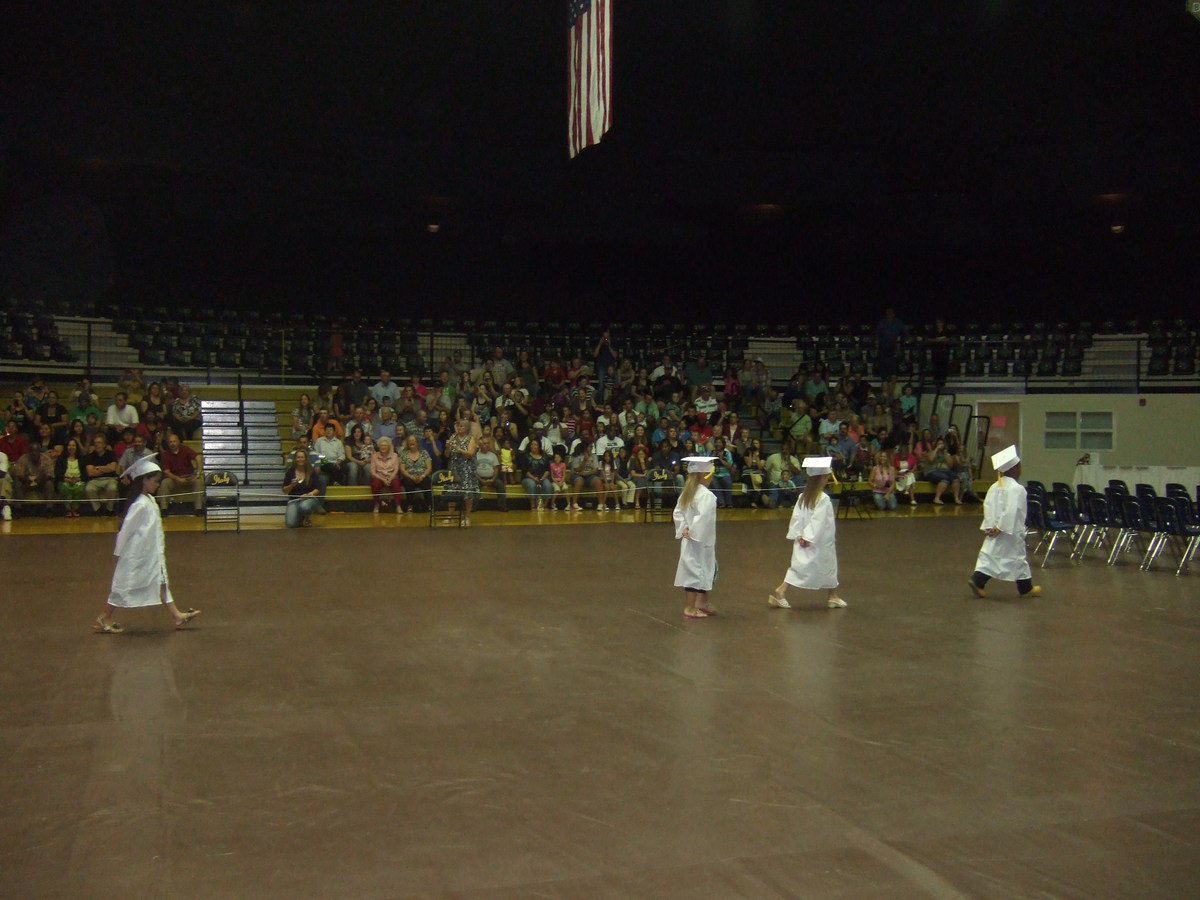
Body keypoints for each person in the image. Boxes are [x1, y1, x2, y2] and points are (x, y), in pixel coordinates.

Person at [93, 455, 201, 634]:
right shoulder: (140, 505)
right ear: (144, 480)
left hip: (151, 553)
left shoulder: (149, 500)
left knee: (161, 581)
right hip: (137, 555)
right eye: (155, 481)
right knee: (124, 584)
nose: (158, 484)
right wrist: (119, 553)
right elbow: (126, 530)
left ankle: (176, 615)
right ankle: (105, 616)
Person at [768, 456, 848, 610]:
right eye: (826, 477)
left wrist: (799, 534)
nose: (827, 479)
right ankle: (781, 590)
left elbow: (796, 517)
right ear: (822, 479)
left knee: (801, 566)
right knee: (822, 566)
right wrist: (807, 536)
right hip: (819, 540)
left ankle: (833, 595)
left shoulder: (803, 496)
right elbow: (818, 521)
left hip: (804, 538)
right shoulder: (823, 499)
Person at [968, 445, 1041, 599]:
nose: (1021, 470)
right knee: (1014, 558)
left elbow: (988, 506)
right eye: (1019, 467)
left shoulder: (994, 487)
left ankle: (1025, 587)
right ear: (1013, 469)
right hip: (1010, 530)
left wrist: (990, 526)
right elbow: (1011, 510)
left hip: (994, 529)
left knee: (991, 556)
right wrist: (1001, 527)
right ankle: (978, 580)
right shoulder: (1017, 488)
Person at [674, 456, 720, 619]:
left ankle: (700, 603)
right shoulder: (706, 496)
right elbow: (703, 518)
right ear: (705, 475)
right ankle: (690, 607)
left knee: (706, 571)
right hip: (700, 541)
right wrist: (692, 530)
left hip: (690, 540)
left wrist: (685, 528)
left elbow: (678, 513)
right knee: (696, 573)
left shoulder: (687, 493)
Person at [157, 432, 204, 514]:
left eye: (174, 441)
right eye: (170, 442)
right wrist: (178, 479)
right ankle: (163, 509)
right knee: (164, 483)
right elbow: (166, 472)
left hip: (189, 476)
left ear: (178, 441)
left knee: (198, 482)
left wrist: (198, 473)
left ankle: (199, 509)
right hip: (174, 478)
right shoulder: (166, 454)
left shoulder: (185, 449)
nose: (172, 444)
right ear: (168, 444)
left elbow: (198, 458)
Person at [445, 416, 480, 525]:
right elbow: (447, 455)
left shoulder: (471, 438)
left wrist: (457, 448)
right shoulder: (453, 437)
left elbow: (470, 454)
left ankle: (466, 517)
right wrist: (447, 447)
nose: (459, 428)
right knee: (452, 493)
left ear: (467, 427)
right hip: (454, 468)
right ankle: (450, 516)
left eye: (462, 426)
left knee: (467, 494)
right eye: (458, 425)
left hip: (466, 469)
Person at [11, 440, 56, 516]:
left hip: (41, 483)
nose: (34, 453)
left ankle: (49, 509)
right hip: (26, 483)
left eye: (36, 451)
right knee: (17, 484)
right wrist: (28, 480)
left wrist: (40, 479)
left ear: (39, 451)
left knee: (49, 484)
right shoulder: (23, 458)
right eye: (32, 451)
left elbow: (49, 475)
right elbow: (19, 475)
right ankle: (17, 509)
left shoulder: (46, 459)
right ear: (29, 451)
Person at [283, 449, 325, 527]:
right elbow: (285, 490)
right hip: (294, 500)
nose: (300, 459)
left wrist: (309, 495)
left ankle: (307, 517)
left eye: (302, 457)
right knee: (291, 524)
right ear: (295, 459)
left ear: (306, 459)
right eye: (298, 457)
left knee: (304, 506)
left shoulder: (311, 471)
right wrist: (292, 485)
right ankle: (300, 516)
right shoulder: (290, 472)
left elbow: (317, 489)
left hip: (309, 499)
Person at [83, 433, 120, 514]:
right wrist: (106, 467)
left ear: (104, 444)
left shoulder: (111, 454)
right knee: (89, 489)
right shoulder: (90, 456)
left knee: (113, 488)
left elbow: (113, 468)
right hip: (95, 480)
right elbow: (90, 473)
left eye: (99, 443)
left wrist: (97, 468)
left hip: (110, 479)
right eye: (95, 443)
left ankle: (109, 509)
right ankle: (97, 509)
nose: (97, 445)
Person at [397, 434, 432, 513]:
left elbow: (429, 467)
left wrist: (423, 476)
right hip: (409, 476)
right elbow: (402, 469)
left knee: (427, 482)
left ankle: (429, 505)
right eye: (409, 441)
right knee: (408, 482)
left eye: (413, 440)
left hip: (422, 475)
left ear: (417, 442)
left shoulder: (424, 453)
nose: (411, 442)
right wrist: (411, 477)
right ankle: (410, 505)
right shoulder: (404, 454)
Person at [368, 436, 403, 513]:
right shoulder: (374, 456)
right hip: (379, 477)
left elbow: (396, 469)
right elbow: (372, 471)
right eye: (381, 445)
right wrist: (383, 479)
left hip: (391, 477)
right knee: (375, 484)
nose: (383, 447)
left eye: (385, 445)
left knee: (396, 483)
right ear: (378, 446)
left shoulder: (394, 455)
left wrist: (389, 479)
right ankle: (376, 505)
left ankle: (398, 506)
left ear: (389, 447)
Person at [56, 437, 87, 517]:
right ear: (66, 447)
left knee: (80, 488)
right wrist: (66, 479)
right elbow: (58, 473)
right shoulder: (61, 459)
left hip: (78, 481)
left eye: (74, 445)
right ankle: (68, 510)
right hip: (64, 481)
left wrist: (78, 479)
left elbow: (85, 474)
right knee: (64, 488)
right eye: (69, 445)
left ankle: (75, 509)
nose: (71, 447)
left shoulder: (81, 458)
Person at [520, 437, 553, 510]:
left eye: (535, 445)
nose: (533, 446)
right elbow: (525, 471)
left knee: (548, 485)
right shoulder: (526, 456)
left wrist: (543, 478)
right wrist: (534, 478)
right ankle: (533, 505)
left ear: (539, 446)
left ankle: (544, 505)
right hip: (528, 477)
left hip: (542, 477)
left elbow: (547, 470)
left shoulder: (545, 456)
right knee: (532, 484)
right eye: (532, 444)